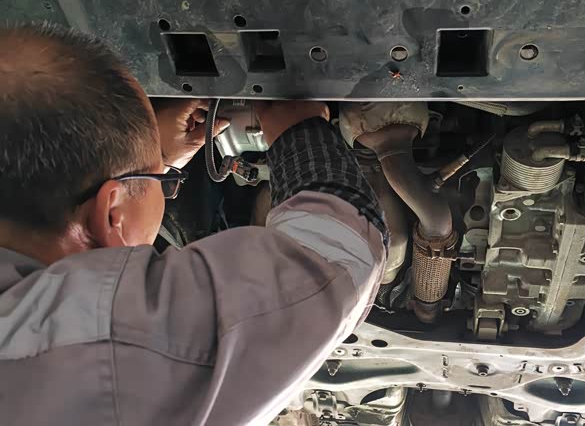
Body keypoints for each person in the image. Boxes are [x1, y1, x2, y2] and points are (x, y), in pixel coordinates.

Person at [0, 23, 387, 425]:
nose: (164, 180)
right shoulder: (103, 357)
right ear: (113, 215)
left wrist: (149, 164)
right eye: (160, 179)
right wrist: (299, 131)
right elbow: (336, 257)